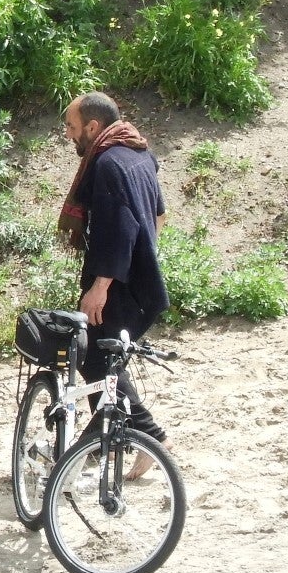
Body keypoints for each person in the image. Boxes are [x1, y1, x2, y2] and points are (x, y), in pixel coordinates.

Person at [58, 91, 172, 475]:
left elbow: (119, 229)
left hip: (117, 282)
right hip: (137, 278)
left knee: (96, 357)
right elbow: (159, 216)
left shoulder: (107, 163)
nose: (69, 135)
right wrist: (146, 255)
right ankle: (104, 441)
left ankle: (151, 436)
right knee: (103, 361)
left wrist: (100, 287)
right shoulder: (140, 153)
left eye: (72, 127)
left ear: (93, 126)